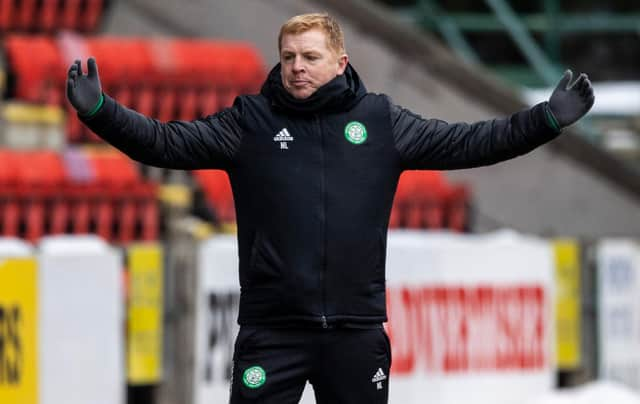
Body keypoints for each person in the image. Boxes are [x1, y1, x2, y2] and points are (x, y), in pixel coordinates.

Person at [66, 13, 594, 404]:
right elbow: (163, 143)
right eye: (289, 57)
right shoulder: (248, 122)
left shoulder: (382, 122)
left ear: (340, 61)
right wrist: (100, 111)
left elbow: (473, 142)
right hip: (272, 332)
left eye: (310, 57)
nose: (297, 68)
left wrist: (546, 119)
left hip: (355, 333)